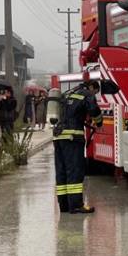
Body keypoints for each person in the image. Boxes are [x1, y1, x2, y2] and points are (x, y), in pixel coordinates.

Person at [52, 80, 103, 214]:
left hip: (58, 136)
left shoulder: (68, 93)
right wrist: (99, 122)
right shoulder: (86, 94)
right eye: (95, 92)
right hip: (73, 137)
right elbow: (94, 110)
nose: (94, 94)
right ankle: (76, 205)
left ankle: (64, 205)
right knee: (74, 170)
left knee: (61, 171)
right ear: (92, 87)